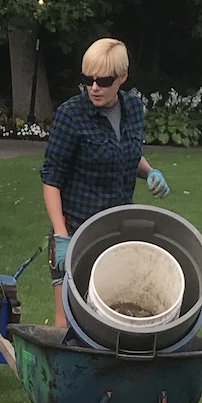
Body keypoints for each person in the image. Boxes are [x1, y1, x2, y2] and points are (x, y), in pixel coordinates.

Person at [39, 38, 169, 329]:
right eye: (88, 79)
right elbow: (51, 178)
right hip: (75, 228)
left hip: (118, 228)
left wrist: (149, 172)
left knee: (110, 316)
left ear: (122, 77)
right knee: (67, 321)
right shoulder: (70, 115)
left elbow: (126, 152)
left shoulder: (133, 108)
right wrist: (61, 235)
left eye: (103, 80)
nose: (94, 87)